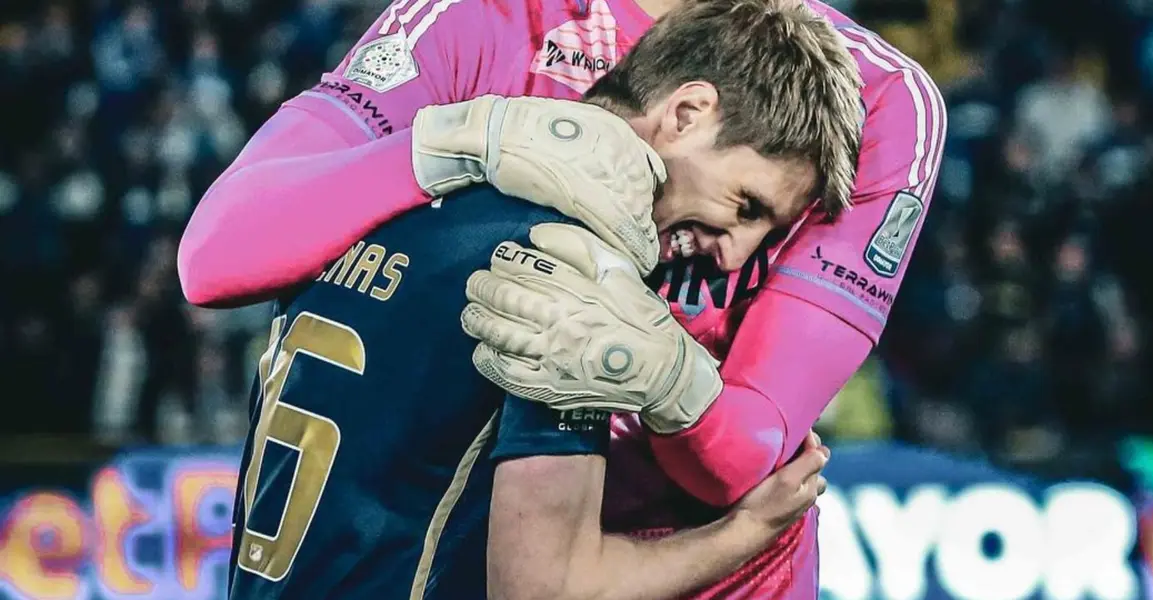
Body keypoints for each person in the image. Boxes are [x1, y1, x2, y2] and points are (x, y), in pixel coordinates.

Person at [205, 0, 864, 598]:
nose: (736, 256)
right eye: (747, 205)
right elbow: (543, 587)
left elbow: (222, 250)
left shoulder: (370, 204)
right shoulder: (572, 273)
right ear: (686, 113)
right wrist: (745, 533)